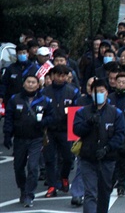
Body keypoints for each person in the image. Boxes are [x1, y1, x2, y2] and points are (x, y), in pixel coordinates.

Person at [73, 79, 125, 213]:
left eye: (102, 91)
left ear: (107, 93)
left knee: (104, 192)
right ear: (91, 93)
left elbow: (120, 135)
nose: (100, 94)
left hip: (107, 159)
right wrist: (88, 123)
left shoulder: (116, 113)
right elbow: (76, 130)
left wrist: (107, 148)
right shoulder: (82, 112)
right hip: (87, 158)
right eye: (97, 92)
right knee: (90, 192)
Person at [3, 75, 55, 207]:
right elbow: (8, 118)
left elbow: (52, 117)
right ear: (24, 84)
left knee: (33, 167)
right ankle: (22, 188)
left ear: (38, 85)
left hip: (36, 139)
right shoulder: (15, 99)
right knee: (18, 167)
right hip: (20, 139)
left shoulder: (45, 100)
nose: (31, 84)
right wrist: (7, 135)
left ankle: (29, 194)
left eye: (34, 82)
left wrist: (43, 122)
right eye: (28, 82)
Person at [42, 65, 80, 197]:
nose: (60, 78)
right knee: (49, 158)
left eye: (63, 75)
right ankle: (52, 185)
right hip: (49, 130)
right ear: (52, 76)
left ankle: (64, 176)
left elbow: (77, 111)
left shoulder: (73, 91)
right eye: (58, 75)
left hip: (66, 129)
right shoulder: (44, 92)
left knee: (68, 157)